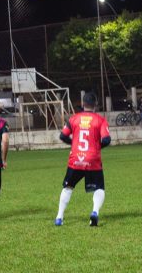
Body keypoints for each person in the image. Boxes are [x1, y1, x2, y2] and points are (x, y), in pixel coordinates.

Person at [54, 92, 111, 227]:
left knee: (68, 187)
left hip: (75, 159)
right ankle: (94, 213)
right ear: (95, 104)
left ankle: (59, 217)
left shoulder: (74, 119)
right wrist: (97, 147)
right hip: (93, 159)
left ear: (83, 104)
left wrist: (72, 144)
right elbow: (107, 139)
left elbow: (62, 136)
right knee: (99, 188)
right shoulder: (100, 120)